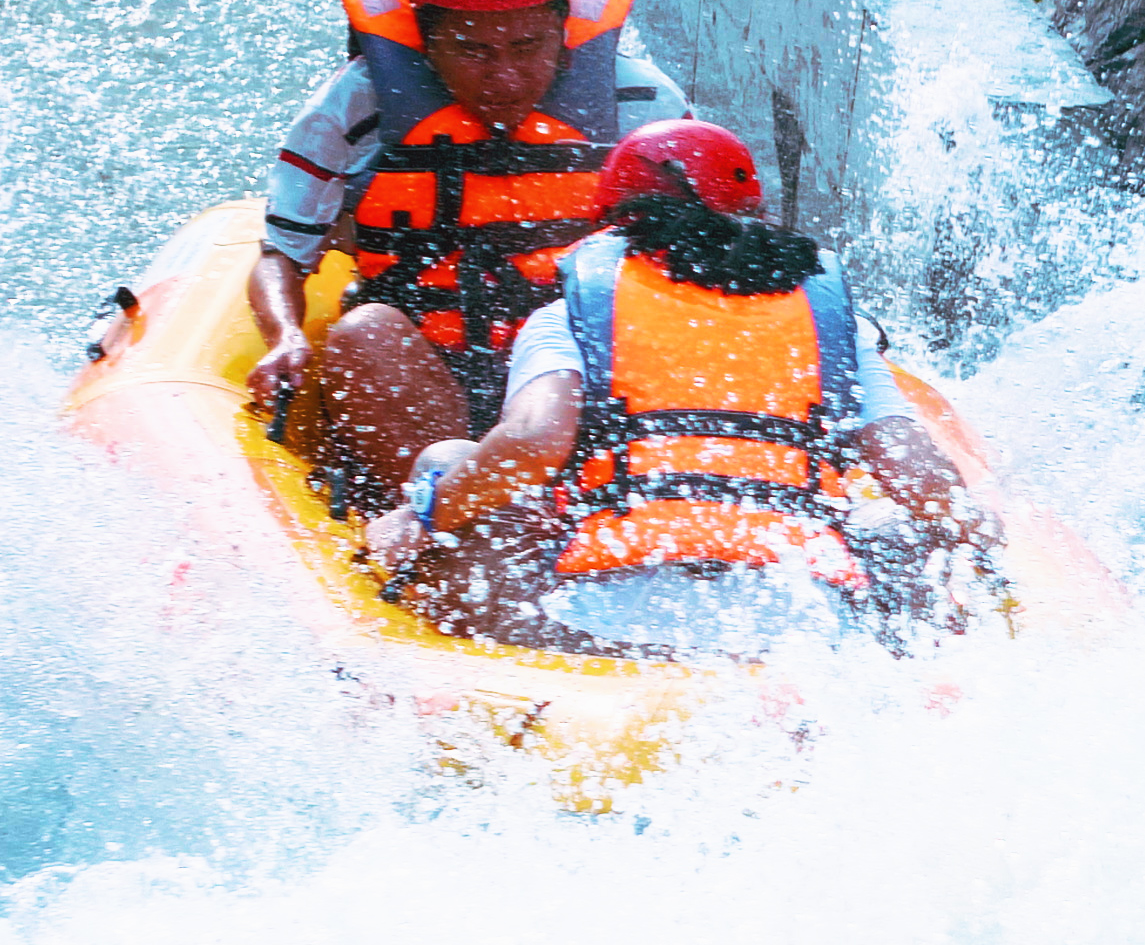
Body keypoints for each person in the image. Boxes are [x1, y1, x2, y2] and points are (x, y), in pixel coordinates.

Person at [362, 119, 1001, 654]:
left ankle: (479, 675)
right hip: (803, 621)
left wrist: (421, 516)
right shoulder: (836, 325)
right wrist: (976, 529)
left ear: (612, 229)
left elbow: (532, 443)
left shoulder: (571, 318)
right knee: (904, 527)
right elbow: (915, 473)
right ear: (757, 218)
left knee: (446, 465)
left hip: (611, 621)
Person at [243, 0, 671, 513]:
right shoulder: (356, 105)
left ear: (563, 30)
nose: (504, 78)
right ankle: (449, 526)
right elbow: (281, 253)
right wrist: (284, 334)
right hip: (424, 373)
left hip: (573, 376)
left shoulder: (642, 103)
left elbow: (713, 248)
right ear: (426, 38)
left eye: (527, 47)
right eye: (473, 51)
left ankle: (583, 514)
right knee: (363, 336)